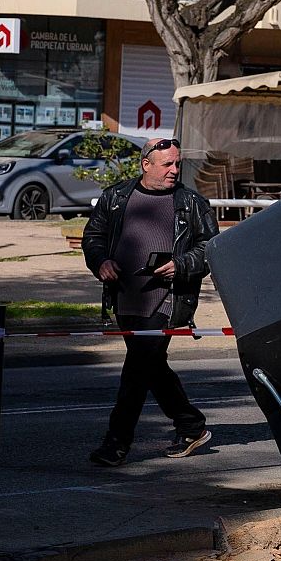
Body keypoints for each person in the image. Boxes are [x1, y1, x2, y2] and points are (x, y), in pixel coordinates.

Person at [81, 137, 219, 466]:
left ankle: (116, 443)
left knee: (137, 368)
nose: (174, 170)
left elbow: (212, 247)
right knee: (150, 367)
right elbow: (93, 236)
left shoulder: (191, 203)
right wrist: (100, 261)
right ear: (146, 165)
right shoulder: (116, 197)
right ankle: (190, 424)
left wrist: (183, 265)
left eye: (177, 164)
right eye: (167, 164)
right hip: (126, 298)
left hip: (169, 299)